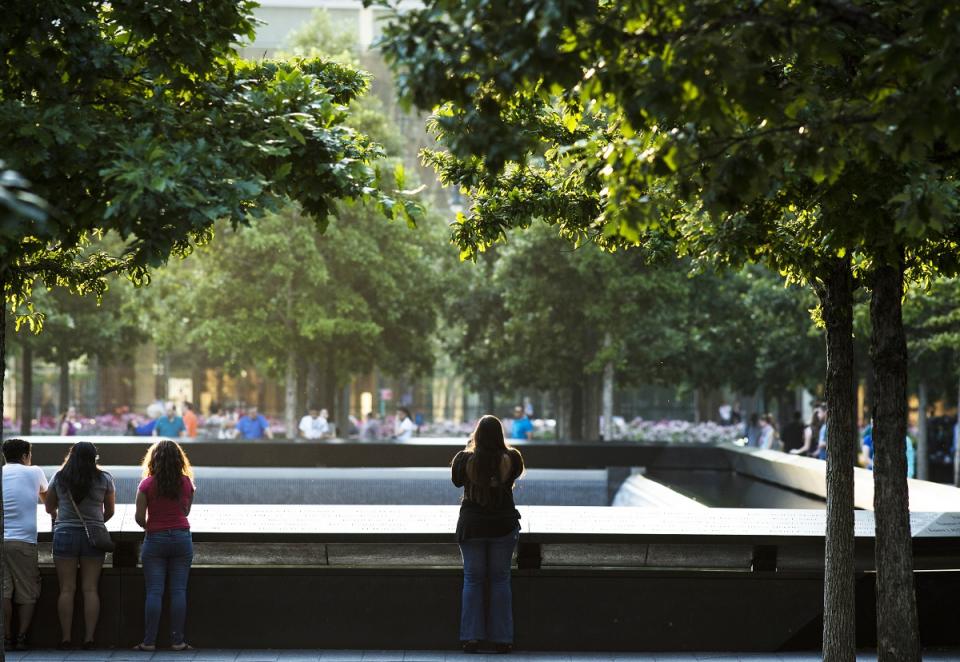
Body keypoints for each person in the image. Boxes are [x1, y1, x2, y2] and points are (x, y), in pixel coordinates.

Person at [450, 415, 525, 654]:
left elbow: (456, 481)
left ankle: (471, 638)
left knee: (473, 579)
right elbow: (511, 477)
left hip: (472, 527)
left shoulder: (464, 460)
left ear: (477, 434)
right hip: (503, 526)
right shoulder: (512, 459)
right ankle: (503, 639)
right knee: (500, 579)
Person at [45, 441, 115, 650]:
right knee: (90, 589)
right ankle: (89, 639)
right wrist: (95, 522)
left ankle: (66, 638)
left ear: (71, 455)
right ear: (95, 457)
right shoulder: (104, 478)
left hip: (65, 533)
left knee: (66, 589)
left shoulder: (59, 477)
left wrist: (60, 516)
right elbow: (110, 511)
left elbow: (49, 506)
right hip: (93, 536)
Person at [133, 440, 195, 652]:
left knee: (154, 592)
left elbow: (140, 518)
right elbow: (185, 512)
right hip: (181, 538)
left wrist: (153, 524)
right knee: (179, 591)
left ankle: (149, 642)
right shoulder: (186, 483)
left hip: (156, 539)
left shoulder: (147, 484)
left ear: (154, 459)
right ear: (179, 460)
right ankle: (178, 641)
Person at [2, 439, 49, 651]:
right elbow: (49, 503)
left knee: (4, 592)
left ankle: (5, 638)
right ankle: (21, 638)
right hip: (23, 541)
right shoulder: (35, 472)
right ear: (25, 456)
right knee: (28, 591)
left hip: (2, 539)